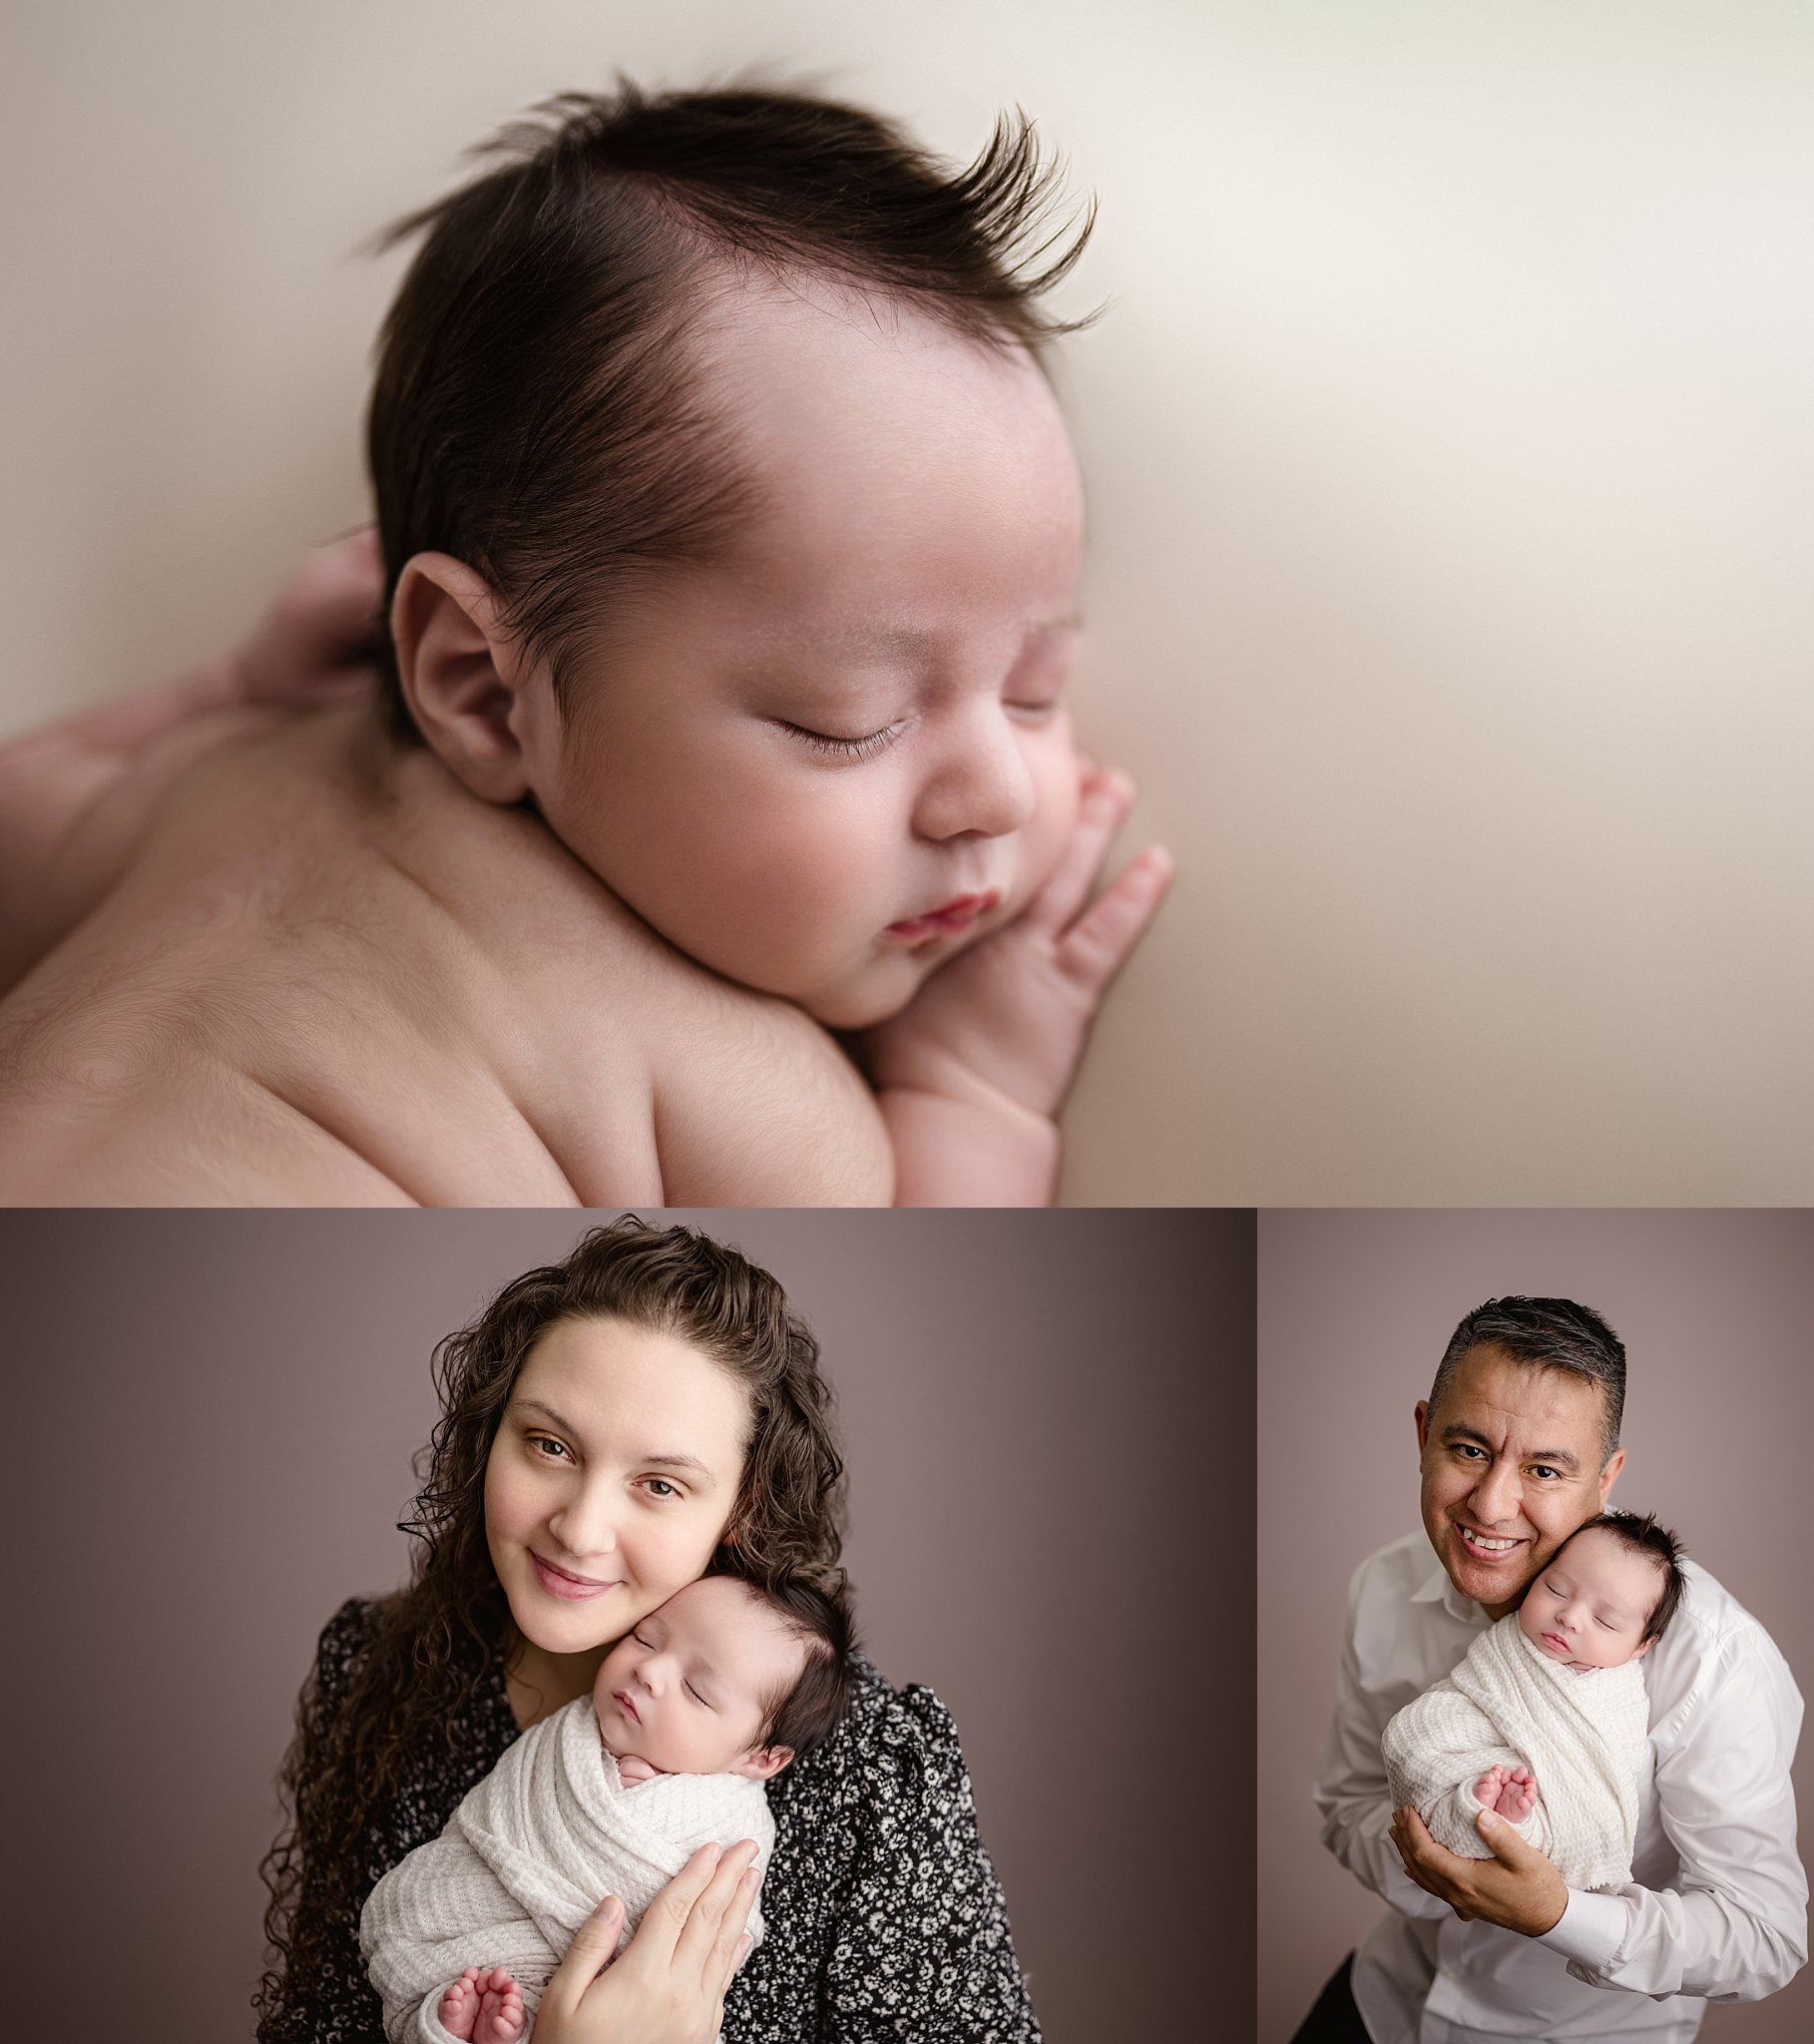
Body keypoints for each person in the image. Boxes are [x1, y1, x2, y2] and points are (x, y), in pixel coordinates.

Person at [0, 83, 1170, 1208]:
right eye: (847, 720)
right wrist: (969, 1092)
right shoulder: (754, 1108)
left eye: (1033, 689)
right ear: (484, 689)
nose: (998, 793)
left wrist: (225, 692)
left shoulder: (227, 781)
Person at [257, 1217, 1040, 2042]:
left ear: (741, 1511)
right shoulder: (380, 1667)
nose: (582, 1530)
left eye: (660, 1485)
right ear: (491, 1439)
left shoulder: (870, 1768)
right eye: (549, 1445)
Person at [1300, 1296, 1806, 2044]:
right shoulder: (1382, 1585)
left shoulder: (1715, 1660)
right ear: (1422, 1436)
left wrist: (1560, 1915)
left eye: (1543, 1469)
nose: (1493, 1505)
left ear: (1606, 1480)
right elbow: (1347, 1803)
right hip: (1389, 2002)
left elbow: (1765, 1937)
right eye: (1469, 1450)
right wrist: (1442, 1860)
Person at [361, 1575, 853, 2044]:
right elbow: (495, 1816)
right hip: (474, 1929)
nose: (650, 1670)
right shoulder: (569, 1735)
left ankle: (509, 2024)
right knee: (474, 1985)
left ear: (761, 1759)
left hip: (612, 2000)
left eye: (697, 1690)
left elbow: (717, 1937)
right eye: (646, 1639)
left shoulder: (730, 1821)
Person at [1381, 1512, 1683, 1892]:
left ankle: (1507, 1821)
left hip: (1550, 1822)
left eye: (1605, 1622)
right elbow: (1454, 1709)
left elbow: (1596, 1793)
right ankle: (1477, 1809)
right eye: (1556, 1589)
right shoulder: (1510, 1645)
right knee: (1418, 1731)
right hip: (1467, 1753)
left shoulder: (1620, 1697)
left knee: (1541, 1818)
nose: (1569, 1617)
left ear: (1641, 1646)